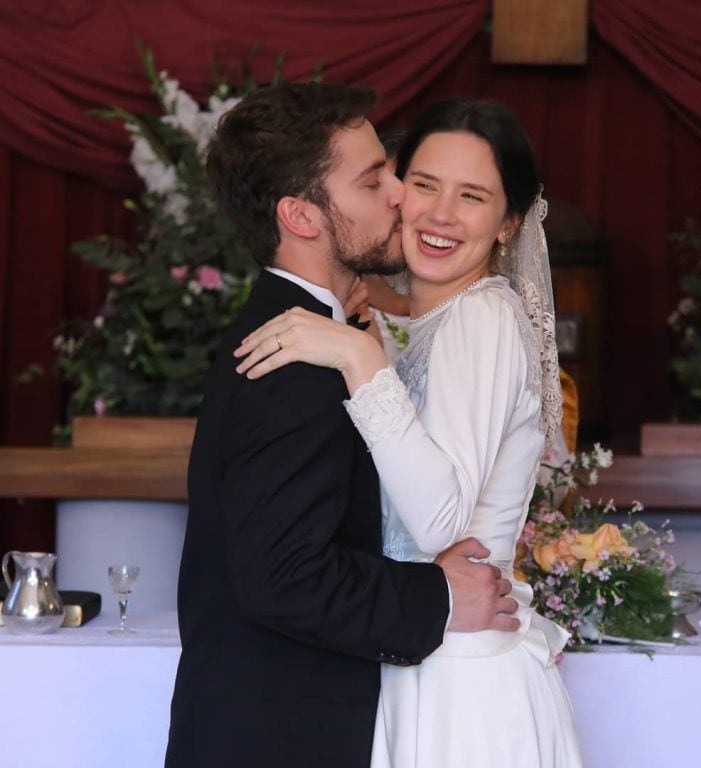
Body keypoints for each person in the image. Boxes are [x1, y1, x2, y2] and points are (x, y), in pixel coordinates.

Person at [164, 83, 521, 768]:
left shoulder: (318, 336)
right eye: (372, 180)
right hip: (278, 745)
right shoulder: (293, 364)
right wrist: (439, 596)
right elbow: (283, 578)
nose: (400, 194)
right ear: (302, 216)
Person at [235, 98, 583, 767]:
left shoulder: (484, 320)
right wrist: (373, 338)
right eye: (424, 184)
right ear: (396, 190)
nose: (440, 214)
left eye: (473, 196)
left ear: (509, 222)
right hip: (411, 653)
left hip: (460, 683)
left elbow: (439, 523)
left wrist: (357, 356)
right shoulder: (420, 325)